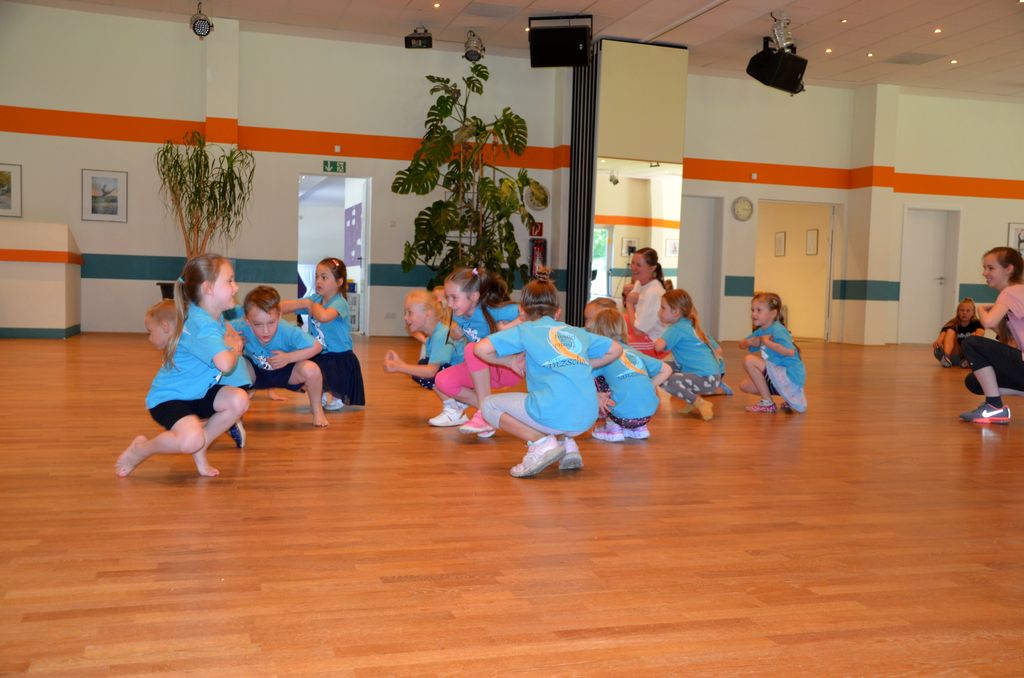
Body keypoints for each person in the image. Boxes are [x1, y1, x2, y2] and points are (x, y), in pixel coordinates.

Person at [116, 254, 250, 477]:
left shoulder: (209, 314)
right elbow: (226, 364)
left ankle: (201, 447)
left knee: (239, 399)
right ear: (208, 288)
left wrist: (230, 336)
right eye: (229, 281)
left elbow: (222, 330)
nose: (235, 287)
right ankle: (141, 449)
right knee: (190, 441)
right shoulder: (202, 325)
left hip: (197, 393)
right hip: (169, 398)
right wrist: (235, 347)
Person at [474, 278, 623, 477]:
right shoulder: (576, 331)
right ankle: (568, 447)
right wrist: (580, 364)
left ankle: (541, 443)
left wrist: (510, 362)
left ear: (522, 312)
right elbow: (616, 349)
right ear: (558, 312)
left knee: (488, 406)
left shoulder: (525, 330)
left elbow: (480, 348)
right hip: (587, 416)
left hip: (554, 412)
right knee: (551, 401)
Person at [430, 267, 522, 437]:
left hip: (508, 367)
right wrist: (456, 333)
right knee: (442, 380)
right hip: (484, 370)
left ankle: (485, 415)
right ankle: (491, 413)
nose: (449, 303)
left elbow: (532, 313)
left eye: (454, 297)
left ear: (474, 297)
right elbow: (468, 333)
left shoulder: (494, 310)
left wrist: (507, 327)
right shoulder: (458, 315)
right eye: (447, 297)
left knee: (472, 349)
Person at [232, 285, 328, 428]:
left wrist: (289, 358)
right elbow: (220, 330)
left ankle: (318, 410)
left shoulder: (287, 330)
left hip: (286, 371)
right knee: (235, 365)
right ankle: (235, 417)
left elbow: (317, 346)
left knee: (312, 370)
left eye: (271, 323)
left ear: (279, 316)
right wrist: (233, 340)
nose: (265, 331)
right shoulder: (241, 326)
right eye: (257, 324)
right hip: (257, 373)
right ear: (247, 321)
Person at [280, 257, 365, 411]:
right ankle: (321, 393)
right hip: (318, 351)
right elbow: (283, 307)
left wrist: (310, 304)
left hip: (338, 354)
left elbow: (324, 316)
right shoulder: (315, 299)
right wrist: (304, 303)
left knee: (334, 376)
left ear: (339, 282)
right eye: (316, 276)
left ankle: (337, 396)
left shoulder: (340, 303)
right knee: (312, 371)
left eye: (324, 277)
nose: (318, 281)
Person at [958, 247, 1024, 424]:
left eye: (990, 268)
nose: (985, 273)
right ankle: (994, 404)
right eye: (984, 268)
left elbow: (987, 322)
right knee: (974, 381)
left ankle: (994, 407)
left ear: (1008, 269)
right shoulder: (1019, 292)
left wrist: (980, 309)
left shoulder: (1011, 292)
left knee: (971, 343)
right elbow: (1010, 341)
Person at [586, 307, 671, 442]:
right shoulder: (634, 352)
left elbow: (584, 376)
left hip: (620, 415)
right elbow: (667, 369)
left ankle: (613, 427)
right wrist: (648, 386)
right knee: (623, 381)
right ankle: (638, 429)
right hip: (647, 415)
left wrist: (595, 395)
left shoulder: (603, 355)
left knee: (595, 377)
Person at [653, 288, 725, 421]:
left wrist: (655, 338)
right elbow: (719, 350)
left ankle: (699, 402)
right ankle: (692, 401)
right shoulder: (691, 325)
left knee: (663, 376)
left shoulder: (676, 328)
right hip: (712, 377)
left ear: (675, 312)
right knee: (660, 367)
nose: (659, 311)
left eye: (663, 308)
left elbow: (658, 347)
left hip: (705, 379)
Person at [383, 288, 464, 393]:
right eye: (405, 313)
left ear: (427, 313)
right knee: (423, 365)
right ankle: (452, 400)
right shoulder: (433, 337)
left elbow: (431, 372)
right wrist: (399, 365)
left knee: (427, 370)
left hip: (467, 376)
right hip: (459, 374)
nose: (405, 317)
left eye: (410, 313)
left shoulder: (441, 335)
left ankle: (461, 399)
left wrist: (400, 366)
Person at [738, 291, 807, 414]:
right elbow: (741, 344)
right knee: (744, 386)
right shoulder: (761, 331)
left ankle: (767, 403)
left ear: (773, 313)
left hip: (790, 376)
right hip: (778, 375)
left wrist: (767, 342)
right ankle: (786, 396)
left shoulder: (778, 330)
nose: (754, 314)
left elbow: (790, 352)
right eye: (752, 310)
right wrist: (749, 342)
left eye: (759, 310)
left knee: (749, 360)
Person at [622, 247, 669, 357]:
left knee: (618, 345)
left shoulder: (653, 292)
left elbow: (639, 331)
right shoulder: (640, 283)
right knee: (612, 321)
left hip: (655, 343)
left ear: (652, 268)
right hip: (645, 334)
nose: (633, 267)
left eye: (639, 265)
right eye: (633, 263)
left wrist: (629, 303)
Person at [932, 297, 984, 368]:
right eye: (962, 310)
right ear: (958, 312)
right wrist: (939, 341)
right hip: (954, 355)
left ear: (973, 313)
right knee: (950, 331)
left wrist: (973, 340)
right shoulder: (953, 322)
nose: (964, 313)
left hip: (967, 356)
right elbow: (943, 333)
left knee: (975, 335)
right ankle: (946, 357)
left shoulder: (976, 323)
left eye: (968, 311)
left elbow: (980, 333)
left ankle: (968, 360)